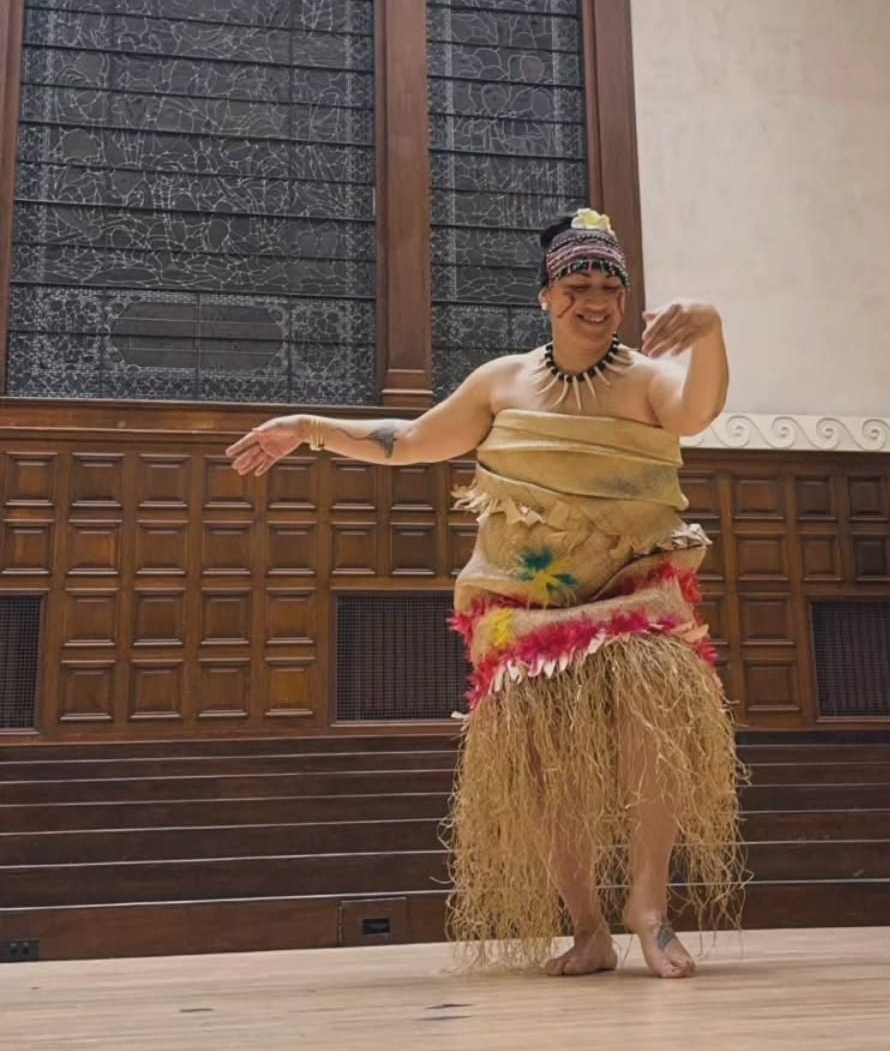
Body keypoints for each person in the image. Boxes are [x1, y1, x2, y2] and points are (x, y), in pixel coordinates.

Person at [227, 209, 744, 979]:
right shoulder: (500, 382)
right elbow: (408, 443)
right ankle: (587, 925)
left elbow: (698, 409)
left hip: (631, 595)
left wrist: (711, 330)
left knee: (654, 727)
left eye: (608, 286)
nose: (594, 300)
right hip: (526, 606)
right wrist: (309, 426)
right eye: (577, 285)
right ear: (546, 295)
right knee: (538, 766)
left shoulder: (646, 382)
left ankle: (648, 906)